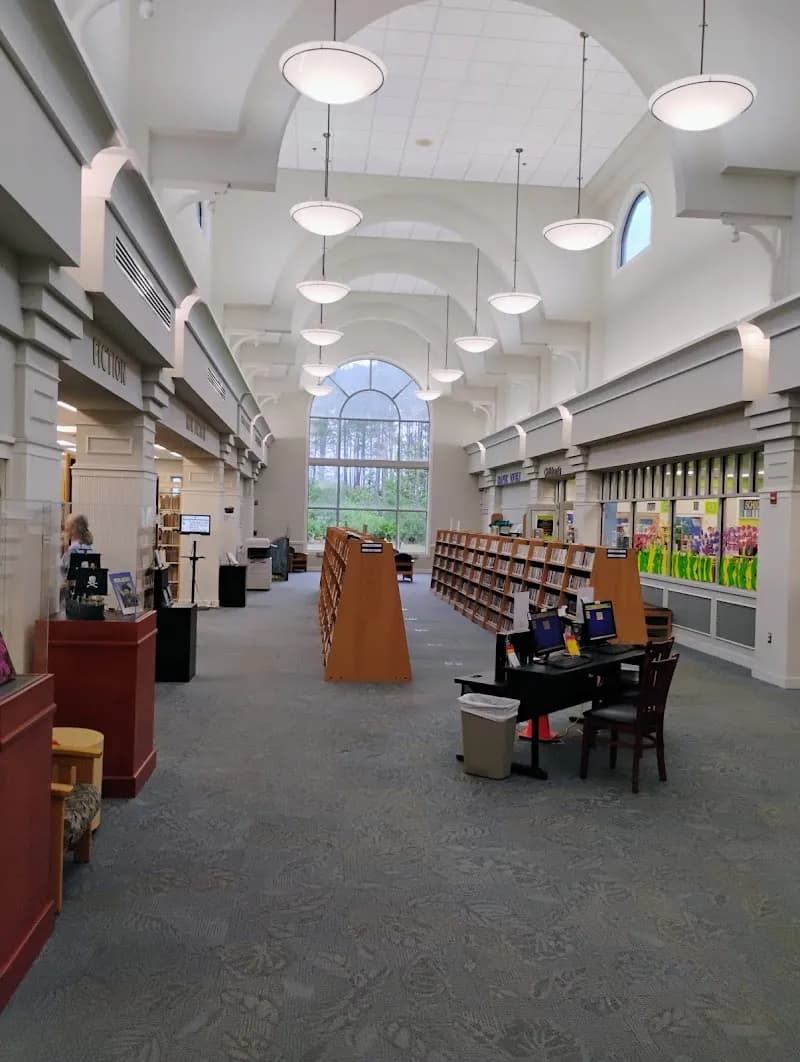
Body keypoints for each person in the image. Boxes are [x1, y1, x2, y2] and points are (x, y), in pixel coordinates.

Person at [60, 513, 96, 579]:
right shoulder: (88, 547)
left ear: (72, 529)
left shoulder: (73, 549)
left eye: (66, 528)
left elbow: (63, 573)